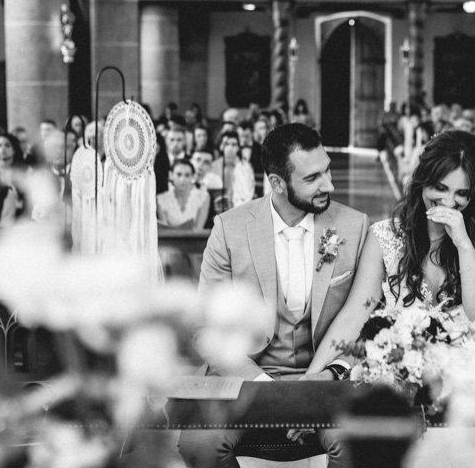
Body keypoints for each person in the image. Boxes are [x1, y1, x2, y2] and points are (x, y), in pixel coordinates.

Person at [178, 123, 370, 468]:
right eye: (312, 178)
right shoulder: (229, 228)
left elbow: (369, 321)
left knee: (360, 443)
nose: (329, 185)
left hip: (324, 376)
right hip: (247, 375)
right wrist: (268, 389)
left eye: (326, 170)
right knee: (200, 443)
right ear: (277, 183)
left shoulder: (354, 226)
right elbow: (205, 330)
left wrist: (331, 374)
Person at [302, 131, 475, 386]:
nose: (449, 202)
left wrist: (463, 244)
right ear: (422, 180)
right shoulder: (385, 235)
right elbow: (355, 314)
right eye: (440, 188)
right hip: (404, 361)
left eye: (461, 193)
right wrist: (312, 375)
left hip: (472, 365)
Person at [207, 131, 255, 213]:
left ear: (238, 147)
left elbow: (248, 194)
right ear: (221, 146)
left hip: (238, 211)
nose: (230, 148)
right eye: (226, 144)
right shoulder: (212, 167)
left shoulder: (245, 168)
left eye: (233, 144)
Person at [157, 159, 211, 230]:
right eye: (179, 174)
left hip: (195, 240)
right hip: (170, 240)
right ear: (171, 175)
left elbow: (199, 229)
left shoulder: (203, 197)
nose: (182, 180)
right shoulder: (161, 199)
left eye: (187, 175)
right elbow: (165, 230)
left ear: (192, 177)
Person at [0, 132, 28, 217]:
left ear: (14, 149)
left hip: (18, 212)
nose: (3, 149)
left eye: (7, 145)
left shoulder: (23, 170)